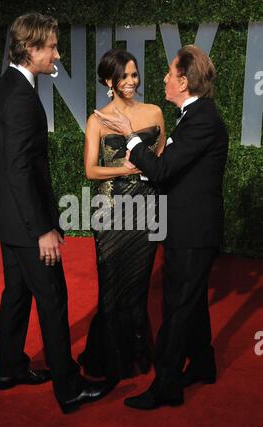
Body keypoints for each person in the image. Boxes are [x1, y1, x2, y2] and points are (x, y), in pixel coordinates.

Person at [0, 12, 109, 414]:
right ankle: (70, 389)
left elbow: (5, 160)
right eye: (52, 46)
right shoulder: (21, 97)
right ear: (32, 49)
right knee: (53, 299)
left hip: (7, 218)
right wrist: (42, 229)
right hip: (26, 223)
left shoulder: (3, 87)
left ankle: (9, 368)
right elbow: (20, 169)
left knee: (17, 295)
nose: (57, 53)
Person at [94, 44, 228, 409]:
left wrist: (130, 137)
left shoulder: (202, 119)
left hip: (192, 232)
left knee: (177, 308)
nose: (164, 79)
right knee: (194, 302)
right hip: (188, 229)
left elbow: (163, 170)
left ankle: (166, 387)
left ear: (183, 81)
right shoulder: (194, 115)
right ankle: (203, 365)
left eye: (170, 74)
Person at [78, 48, 165, 384]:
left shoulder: (155, 112)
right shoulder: (97, 119)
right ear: (108, 81)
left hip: (146, 208)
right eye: (124, 76)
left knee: (139, 286)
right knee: (111, 287)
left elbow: (159, 161)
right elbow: (89, 170)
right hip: (111, 211)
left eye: (134, 74)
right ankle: (110, 358)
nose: (132, 81)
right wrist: (121, 169)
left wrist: (147, 170)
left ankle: (136, 354)